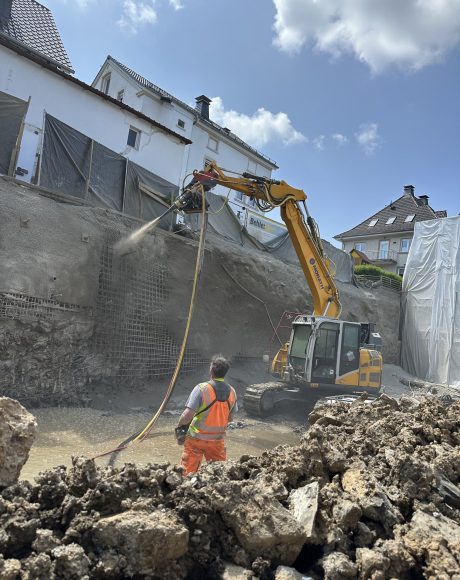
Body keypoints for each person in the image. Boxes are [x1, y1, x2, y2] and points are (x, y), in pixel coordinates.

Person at [177, 355, 237, 475]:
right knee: (218, 475)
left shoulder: (201, 389)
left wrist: (180, 430)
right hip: (217, 441)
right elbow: (230, 418)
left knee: (187, 474)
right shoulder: (232, 392)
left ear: (211, 370)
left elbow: (186, 416)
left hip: (196, 440)